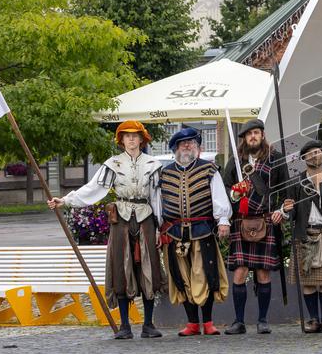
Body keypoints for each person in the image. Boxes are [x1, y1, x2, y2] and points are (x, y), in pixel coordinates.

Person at [48, 121, 165, 340]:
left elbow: (156, 198)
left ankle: (148, 324)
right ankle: (125, 326)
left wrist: (159, 228)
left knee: (149, 270)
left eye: (135, 136)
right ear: (121, 141)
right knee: (121, 269)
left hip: (146, 218)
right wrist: (65, 200)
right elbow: (94, 189)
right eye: (127, 136)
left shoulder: (153, 164)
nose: (131, 139)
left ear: (142, 139)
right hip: (120, 219)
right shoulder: (112, 164)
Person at [158, 127, 232, 336]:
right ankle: (192, 323)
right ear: (175, 149)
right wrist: (158, 227)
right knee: (181, 278)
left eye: (191, 143)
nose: (187, 146)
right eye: (183, 144)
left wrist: (223, 220)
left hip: (202, 230)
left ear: (198, 147)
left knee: (205, 275)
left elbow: (218, 196)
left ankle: (208, 322)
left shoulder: (209, 169)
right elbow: (158, 203)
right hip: (174, 232)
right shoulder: (166, 173)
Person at [221, 118, 289, 335]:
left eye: (257, 133)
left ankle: (262, 320)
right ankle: (238, 321)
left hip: (265, 219)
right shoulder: (236, 161)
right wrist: (234, 193)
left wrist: (281, 211)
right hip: (241, 220)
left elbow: (285, 191)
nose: (253, 137)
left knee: (263, 273)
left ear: (262, 135)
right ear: (243, 138)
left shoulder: (275, 159)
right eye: (249, 134)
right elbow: (223, 190)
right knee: (240, 272)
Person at [283, 139, 322, 333]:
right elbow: (290, 212)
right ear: (304, 158)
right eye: (309, 153)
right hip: (304, 233)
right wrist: (287, 210)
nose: (314, 156)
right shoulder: (296, 181)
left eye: (317, 152)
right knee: (308, 281)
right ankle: (313, 319)